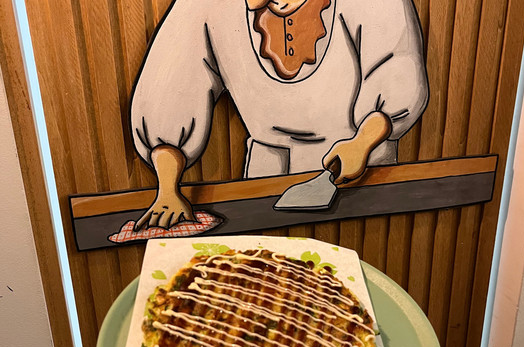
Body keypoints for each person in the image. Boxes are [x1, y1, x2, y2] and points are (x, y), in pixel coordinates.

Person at [131, 0, 429, 230]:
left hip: (360, 174)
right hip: (265, 181)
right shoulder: (205, 5)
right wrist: (168, 190)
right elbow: (169, 89)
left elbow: (397, 73)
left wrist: (361, 144)